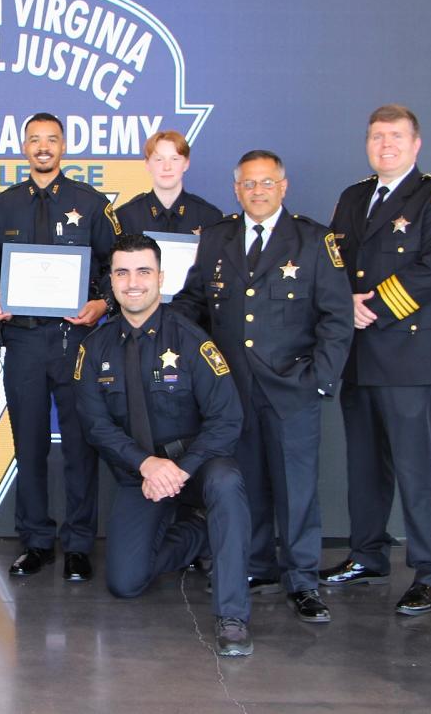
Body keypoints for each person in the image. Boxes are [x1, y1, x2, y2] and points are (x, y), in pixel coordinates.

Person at [173, 150, 353, 622]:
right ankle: (255, 567)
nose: (257, 191)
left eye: (266, 183)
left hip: (293, 388)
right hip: (233, 391)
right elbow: (194, 304)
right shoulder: (216, 239)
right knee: (244, 483)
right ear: (236, 190)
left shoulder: (315, 241)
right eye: (248, 184)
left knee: (296, 489)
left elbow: (337, 318)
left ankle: (302, 580)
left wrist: (319, 380)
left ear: (283, 186)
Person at [75, 234, 253, 655]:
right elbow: (96, 427)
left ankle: (232, 617)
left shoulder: (192, 340)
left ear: (160, 278)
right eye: (122, 272)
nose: (132, 282)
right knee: (125, 582)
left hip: (198, 465)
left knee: (227, 483)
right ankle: (200, 534)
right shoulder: (94, 347)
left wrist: (181, 469)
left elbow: (227, 419)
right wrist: (147, 466)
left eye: (143, 272)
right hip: (141, 474)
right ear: (111, 281)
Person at [321, 104, 431, 616]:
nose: (386, 144)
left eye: (396, 136)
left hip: (409, 354)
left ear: (416, 143)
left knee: (416, 468)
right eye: (377, 136)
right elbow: (333, 260)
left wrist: (372, 307)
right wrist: (344, 303)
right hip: (358, 355)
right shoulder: (353, 196)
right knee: (364, 466)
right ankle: (367, 555)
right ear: (367, 143)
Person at [0, 112, 117, 581]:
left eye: (52, 139)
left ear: (64, 145)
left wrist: (102, 303)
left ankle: (79, 544)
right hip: (23, 342)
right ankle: (36, 540)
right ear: (24, 147)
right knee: (30, 444)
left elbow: (113, 265)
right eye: (35, 140)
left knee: (81, 446)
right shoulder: (4, 207)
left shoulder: (92, 203)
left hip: (77, 341)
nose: (43, 147)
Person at [116, 130, 224, 236]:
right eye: (159, 159)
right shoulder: (126, 217)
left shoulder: (209, 217)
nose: (167, 167)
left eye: (175, 159)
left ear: (186, 163)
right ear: (147, 164)